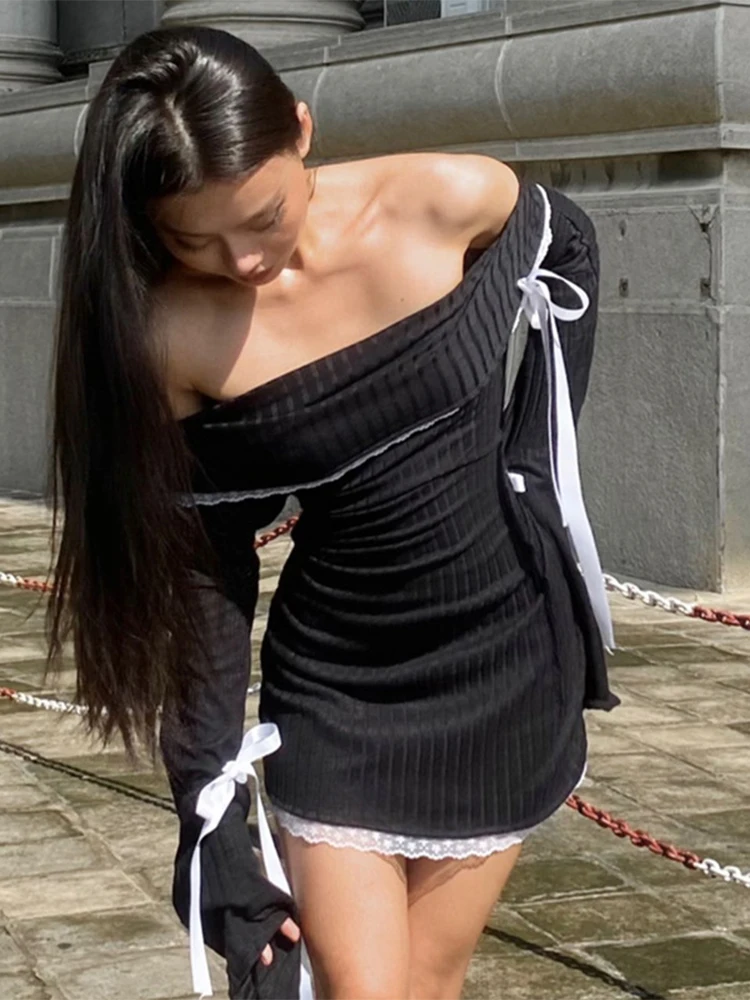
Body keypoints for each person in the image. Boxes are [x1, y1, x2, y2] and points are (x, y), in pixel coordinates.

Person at [47, 24, 618, 1000]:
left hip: (512, 666)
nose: (243, 259)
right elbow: (204, 575)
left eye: (262, 215)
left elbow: (567, 246)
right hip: (341, 691)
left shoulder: (443, 198)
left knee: (432, 980)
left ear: (302, 131)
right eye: (193, 239)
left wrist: (532, 461)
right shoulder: (171, 336)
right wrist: (210, 821)